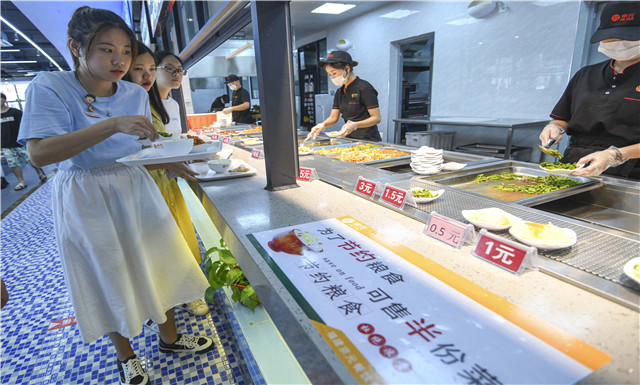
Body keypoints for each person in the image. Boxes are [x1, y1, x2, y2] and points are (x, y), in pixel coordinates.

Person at [18, 7, 213, 385]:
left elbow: (138, 154)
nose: (120, 61)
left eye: (126, 51)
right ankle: (126, 356)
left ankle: (170, 338)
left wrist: (174, 163)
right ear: (76, 47)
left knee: (161, 260)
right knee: (105, 273)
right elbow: (39, 153)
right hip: (85, 191)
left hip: (134, 185)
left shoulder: (132, 94)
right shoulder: (50, 86)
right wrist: (111, 125)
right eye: (107, 50)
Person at [124, 41, 209, 317]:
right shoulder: (134, 103)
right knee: (167, 242)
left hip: (165, 179)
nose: (146, 75)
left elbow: (163, 143)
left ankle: (185, 292)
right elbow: (138, 151)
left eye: (150, 68)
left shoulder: (161, 103)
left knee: (179, 236)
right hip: (148, 184)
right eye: (139, 69)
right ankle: (177, 298)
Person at [539, 1, 640, 179]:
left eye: (624, 37)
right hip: (574, 165)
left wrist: (613, 155)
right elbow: (562, 119)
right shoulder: (585, 74)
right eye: (611, 37)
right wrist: (554, 128)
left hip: (630, 172)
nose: (617, 42)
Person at [307, 50, 382, 142]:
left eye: (334, 73)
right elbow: (333, 118)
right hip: (350, 139)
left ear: (347, 68)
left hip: (368, 139)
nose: (332, 77)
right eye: (330, 75)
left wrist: (354, 125)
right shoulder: (339, 92)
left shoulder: (364, 88)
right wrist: (323, 124)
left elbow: (376, 118)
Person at [1, 93, 47, 190]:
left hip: (20, 142)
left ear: (4, 100)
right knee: (13, 164)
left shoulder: (15, 112)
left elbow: (25, 126)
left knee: (31, 160)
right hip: (6, 145)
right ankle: (21, 181)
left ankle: (40, 173)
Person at [154, 51, 186, 136]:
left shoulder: (174, 104)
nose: (176, 74)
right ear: (153, 70)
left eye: (180, 70)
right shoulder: (144, 103)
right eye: (169, 68)